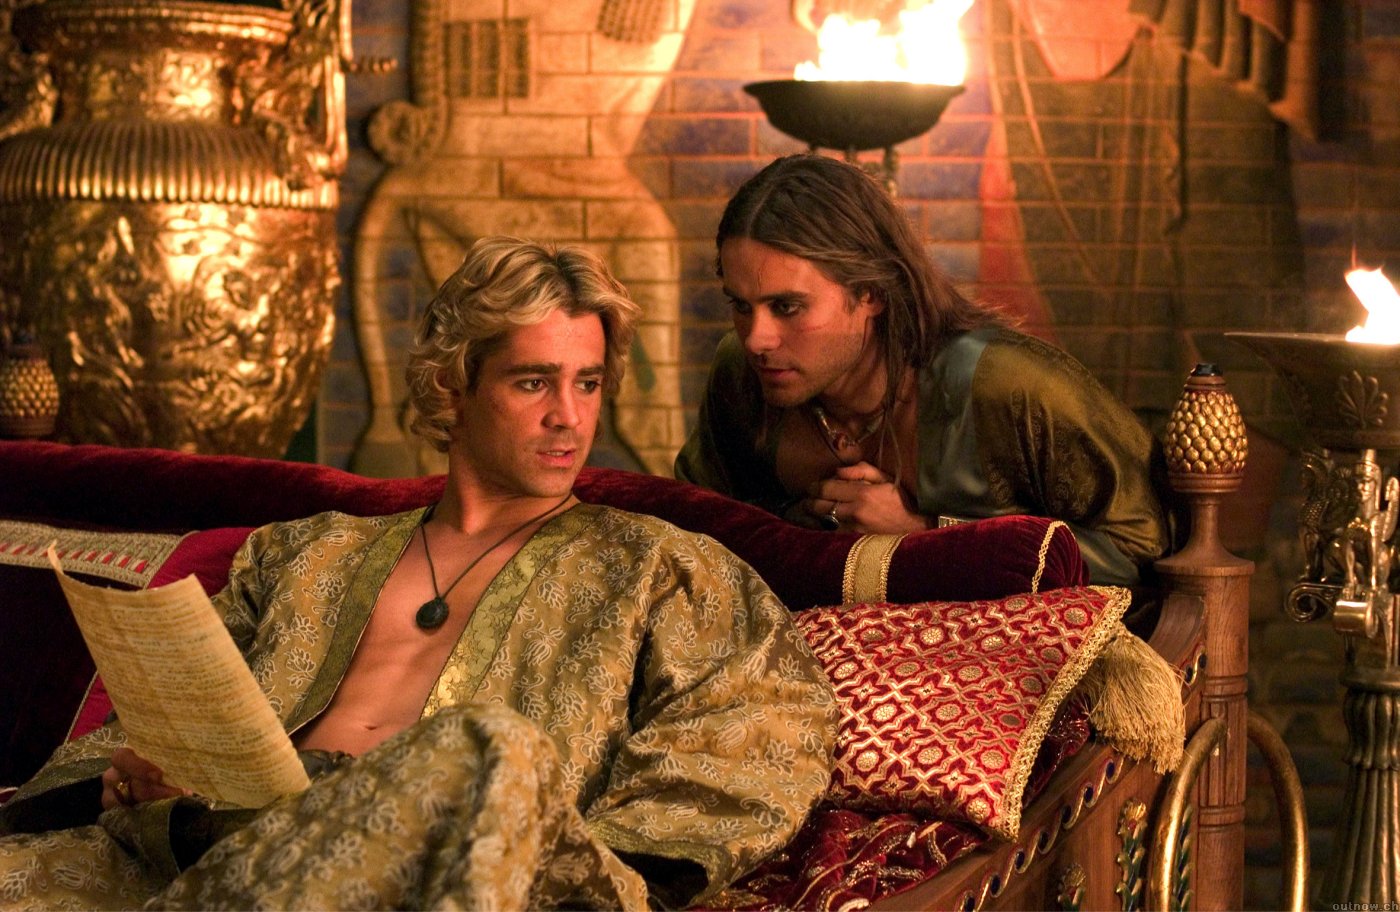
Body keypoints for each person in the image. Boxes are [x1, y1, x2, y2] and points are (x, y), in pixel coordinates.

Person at [0, 237, 837, 910]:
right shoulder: (301, 554)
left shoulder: (660, 567)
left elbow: (758, 734)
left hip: (446, 864)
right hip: (226, 855)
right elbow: (162, 730)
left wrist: (586, 868)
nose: (568, 417)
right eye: (534, 382)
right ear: (452, 386)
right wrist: (140, 783)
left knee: (491, 746)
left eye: (587, 383)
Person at [675, 154, 1173, 586]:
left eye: (787, 307)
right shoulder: (741, 376)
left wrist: (925, 536)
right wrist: (796, 527)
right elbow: (692, 536)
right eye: (740, 306)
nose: (757, 338)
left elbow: (1143, 550)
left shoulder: (1007, 386)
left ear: (870, 293)